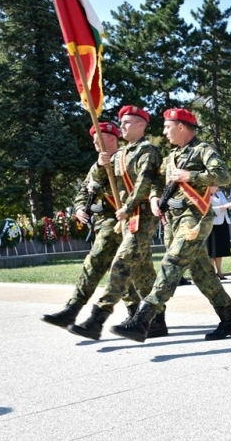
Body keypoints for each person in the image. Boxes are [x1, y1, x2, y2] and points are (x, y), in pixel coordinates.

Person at [110, 107, 231, 343]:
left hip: (194, 218)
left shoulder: (202, 150)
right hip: (173, 220)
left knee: (171, 263)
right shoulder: (170, 157)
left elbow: (223, 176)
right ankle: (229, 319)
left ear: (181, 127)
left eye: (168, 127)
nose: (164, 132)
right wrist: (154, 199)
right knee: (202, 274)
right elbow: (159, 183)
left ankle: (144, 318)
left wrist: (191, 177)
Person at [67, 106, 161, 341]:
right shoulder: (120, 155)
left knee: (122, 264)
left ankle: (96, 320)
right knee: (139, 271)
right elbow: (91, 186)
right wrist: (101, 165)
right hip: (125, 218)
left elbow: (143, 185)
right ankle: (154, 320)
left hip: (140, 216)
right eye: (122, 122)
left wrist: (126, 208)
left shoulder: (147, 150)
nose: (123, 126)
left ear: (142, 125)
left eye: (128, 122)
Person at [42, 122, 141, 329]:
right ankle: (134, 313)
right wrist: (79, 208)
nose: (95, 141)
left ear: (112, 139)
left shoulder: (126, 158)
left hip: (123, 221)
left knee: (107, 265)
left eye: (99, 137)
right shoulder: (96, 164)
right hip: (102, 223)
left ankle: (76, 309)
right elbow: (84, 192)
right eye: (94, 137)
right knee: (112, 267)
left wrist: (106, 166)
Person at [207, 186, 231, 279]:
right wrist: (224, 206)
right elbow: (210, 209)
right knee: (212, 249)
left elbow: (226, 205)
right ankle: (211, 272)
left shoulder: (220, 193)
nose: (217, 186)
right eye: (215, 185)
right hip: (213, 224)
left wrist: (230, 206)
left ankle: (219, 271)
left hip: (223, 222)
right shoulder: (206, 195)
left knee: (219, 249)